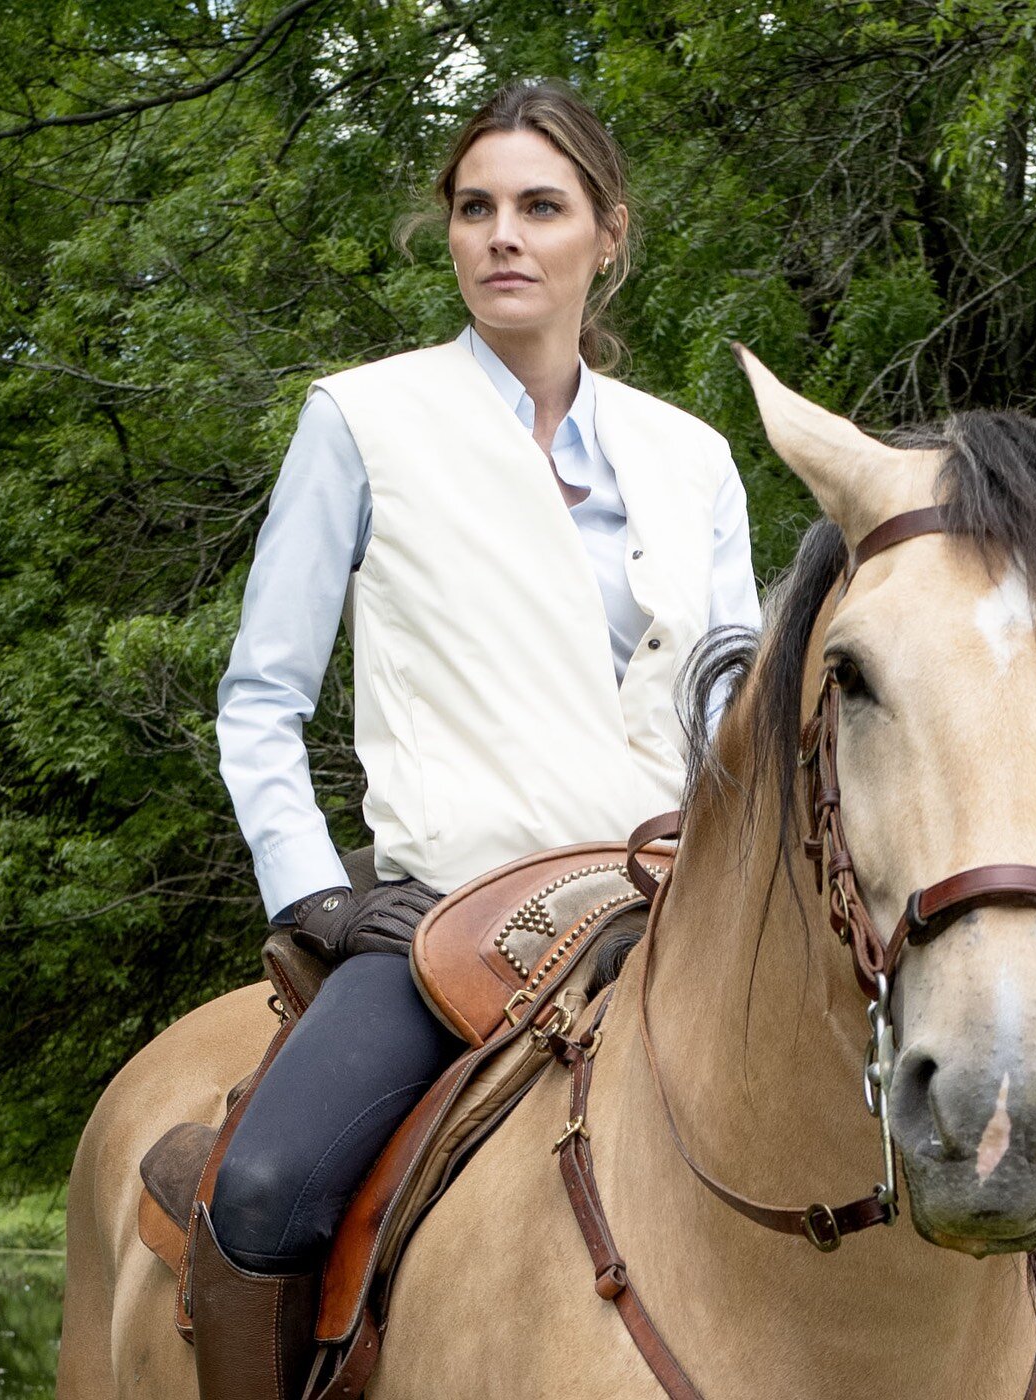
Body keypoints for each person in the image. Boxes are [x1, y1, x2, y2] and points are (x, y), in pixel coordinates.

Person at [201, 79, 762, 1400]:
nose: (504, 234)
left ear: (607, 238)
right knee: (265, 1192)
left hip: (670, 918)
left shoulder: (694, 459)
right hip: (448, 930)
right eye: (476, 207)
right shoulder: (361, 420)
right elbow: (261, 699)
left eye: (541, 207)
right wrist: (317, 896)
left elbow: (733, 726)